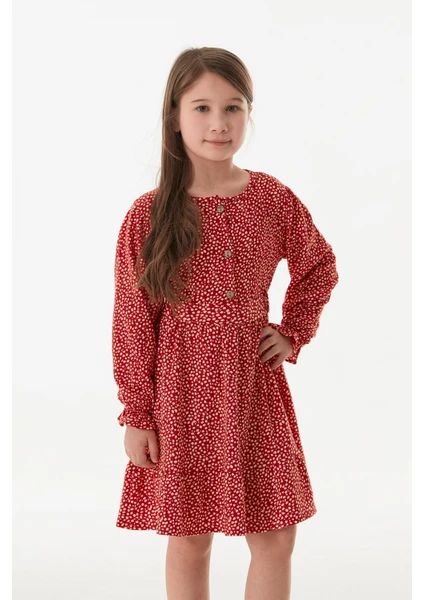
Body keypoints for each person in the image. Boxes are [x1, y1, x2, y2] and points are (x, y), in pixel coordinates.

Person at [112, 46, 339, 600]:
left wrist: (292, 331)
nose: (219, 123)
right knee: (190, 537)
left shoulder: (271, 199)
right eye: (202, 108)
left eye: (233, 107)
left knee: (276, 535)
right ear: (174, 115)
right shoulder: (149, 214)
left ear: (248, 113)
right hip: (181, 395)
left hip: (254, 388)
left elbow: (319, 265)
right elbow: (132, 321)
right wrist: (138, 413)